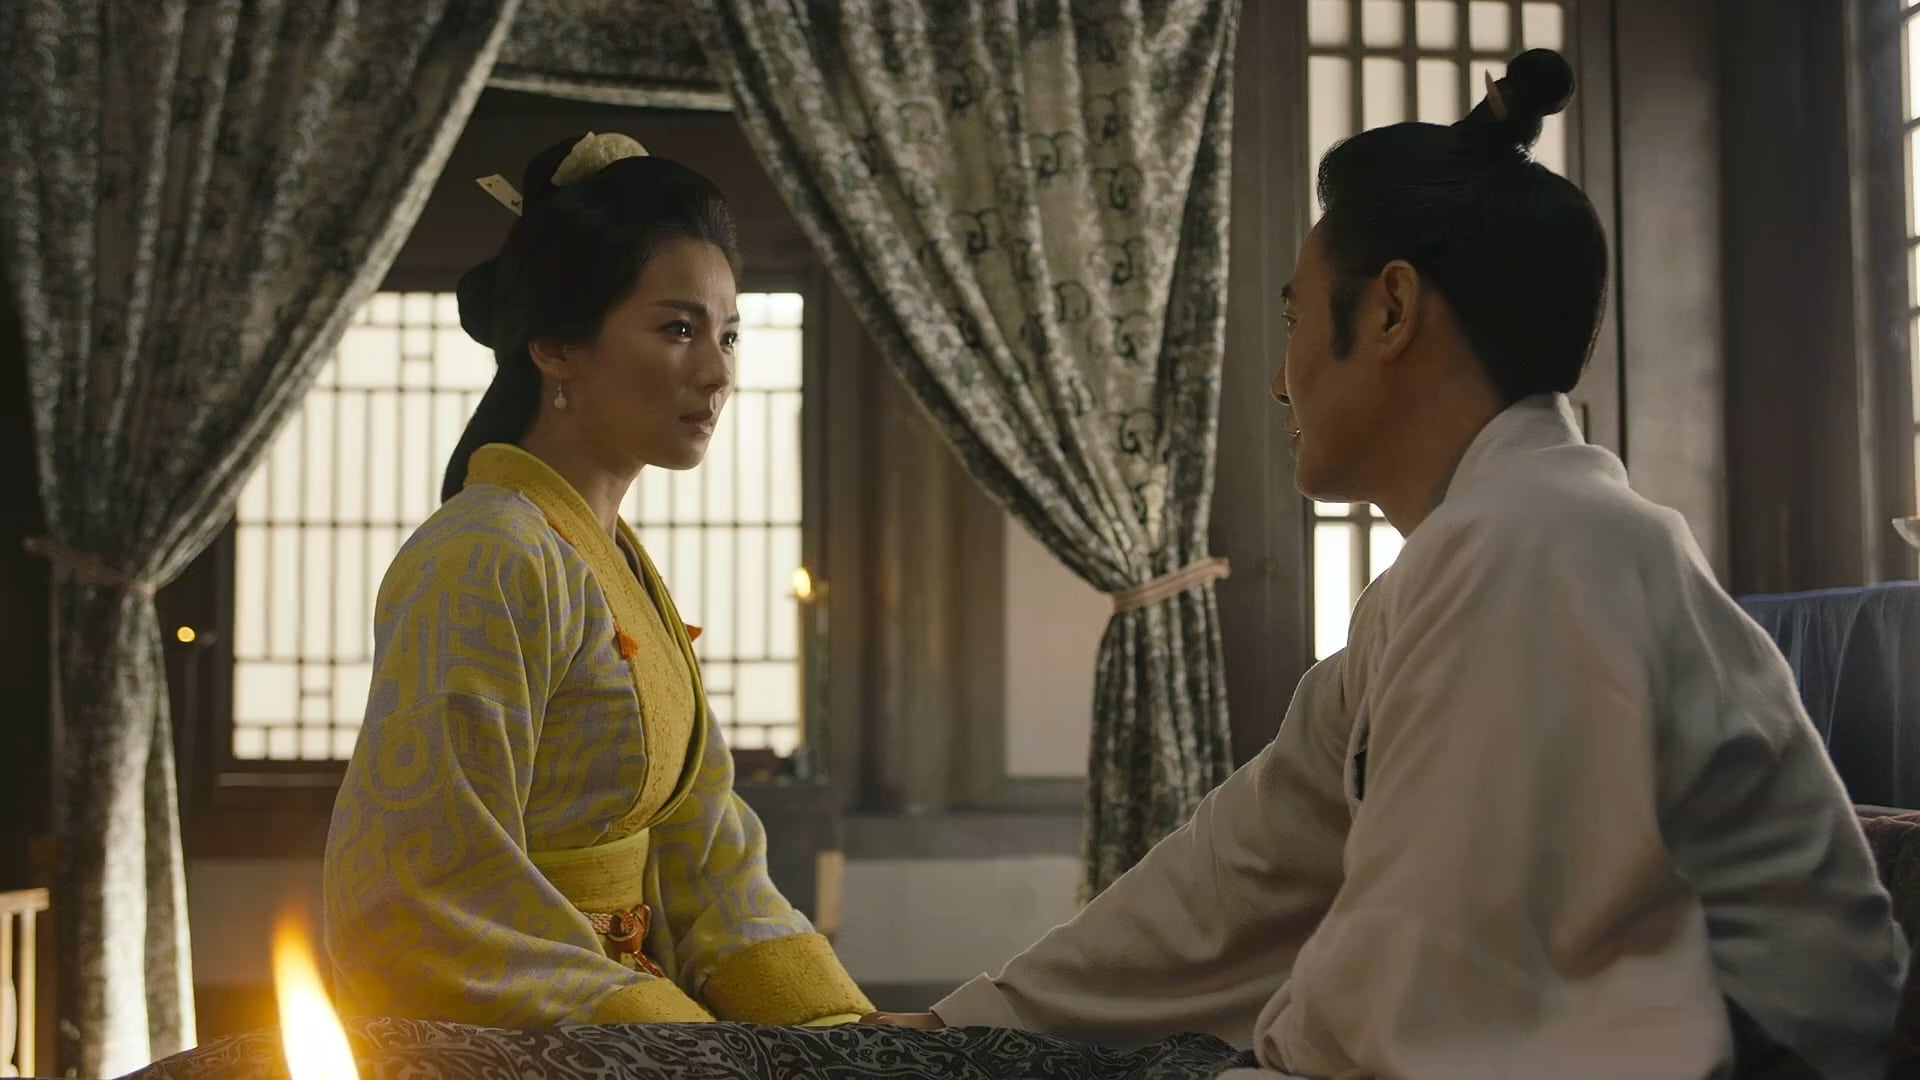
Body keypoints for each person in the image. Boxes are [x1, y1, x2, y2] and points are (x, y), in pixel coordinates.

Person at [868, 49, 1908, 1079]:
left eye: (1293, 319)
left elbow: (1428, 1007)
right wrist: (977, 1025)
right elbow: (1244, 869)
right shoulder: (1467, 560)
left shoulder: (1545, 549)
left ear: (1392, 310)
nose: (1281, 384)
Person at [323, 132, 871, 1029]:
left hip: (641, 1016)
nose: (718, 371)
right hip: (536, 1038)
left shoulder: (609, 560)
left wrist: (827, 1029)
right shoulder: (483, 554)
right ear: (554, 346)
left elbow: (706, 852)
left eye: (728, 334)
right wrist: (670, 1040)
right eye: (678, 329)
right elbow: (425, 891)